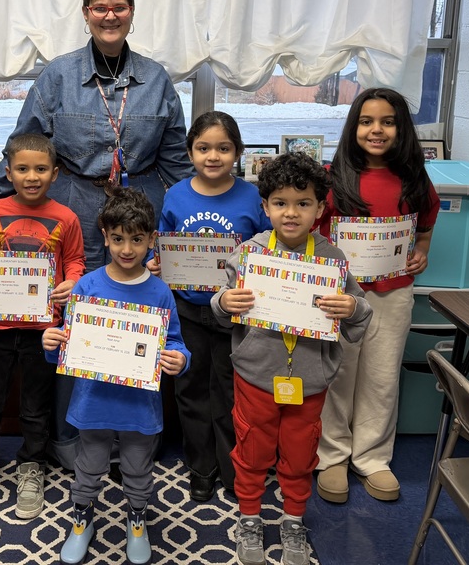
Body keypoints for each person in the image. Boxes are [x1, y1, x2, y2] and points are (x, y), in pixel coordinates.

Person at [0, 0, 193, 470]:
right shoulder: (57, 76)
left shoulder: (158, 79)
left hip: (139, 212)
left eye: (119, 6)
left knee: (138, 316)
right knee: (75, 319)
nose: (110, 15)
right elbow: (24, 148)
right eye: (101, 7)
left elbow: (179, 166)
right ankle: (72, 440)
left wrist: (203, 223)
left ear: (132, 12)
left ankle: (136, 440)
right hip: (73, 210)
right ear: (86, 12)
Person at [211, 152, 372, 565]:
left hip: (310, 381)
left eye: (303, 204)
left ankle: (294, 521)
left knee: (300, 455)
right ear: (265, 207)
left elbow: (360, 312)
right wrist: (225, 302)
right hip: (256, 377)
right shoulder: (248, 253)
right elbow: (221, 304)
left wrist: (350, 309)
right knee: (251, 453)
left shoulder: (332, 259)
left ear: (320, 208)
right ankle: (249, 519)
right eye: (280, 203)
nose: (291, 213)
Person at [42, 188, 190, 565]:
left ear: (151, 240)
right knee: (87, 466)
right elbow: (68, 344)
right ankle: (82, 519)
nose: (127, 249)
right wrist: (50, 342)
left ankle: (137, 519)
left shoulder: (159, 292)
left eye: (137, 240)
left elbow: (175, 341)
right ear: (105, 236)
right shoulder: (87, 286)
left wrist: (180, 359)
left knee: (138, 469)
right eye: (118, 239)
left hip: (139, 407)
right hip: (94, 402)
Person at [0, 133, 86, 520]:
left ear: (55, 173)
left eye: (41, 169)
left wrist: (72, 281)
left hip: (44, 327)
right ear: (8, 172)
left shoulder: (66, 217)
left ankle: (31, 466)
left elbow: (75, 260)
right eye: (22, 169)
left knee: (35, 405)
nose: (32, 176)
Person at [315, 87, 440, 505]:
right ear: (354, 127)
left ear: (401, 128)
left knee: (382, 377)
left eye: (387, 122)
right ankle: (331, 454)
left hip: (393, 292)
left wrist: (421, 253)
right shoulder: (333, 179)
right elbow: (314, 234)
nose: (377, 130)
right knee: (338, 374)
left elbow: (423, 231)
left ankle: (372, 458)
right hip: (340, 296)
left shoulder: (414, 179)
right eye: (367, 121)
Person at [149, 111, 269, 502]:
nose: (213, 156)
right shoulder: (176, 194)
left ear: (237, 152)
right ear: (190, 152)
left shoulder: (253, 197)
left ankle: (233, 467)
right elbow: (165, 247)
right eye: (203, 148)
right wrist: (158, 262)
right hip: (187, 311)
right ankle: (200, 466)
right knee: (191, 390)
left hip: (236, 314)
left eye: (223, 148)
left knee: (233, 392)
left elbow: (267, 251)